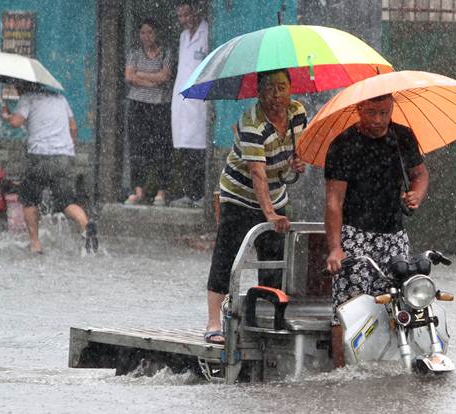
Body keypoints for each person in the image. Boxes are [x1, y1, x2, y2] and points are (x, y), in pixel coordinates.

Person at [324, 94, 429, 369]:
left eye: (384, 112)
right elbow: (334, 201)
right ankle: (341, 370)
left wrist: (416, 194)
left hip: (393, 235)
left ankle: (392, 366)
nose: (379, 120)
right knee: (349, 307)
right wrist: (336, 247)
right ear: (359, 109)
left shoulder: (402, 137)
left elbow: (420, 174)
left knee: (397, 303)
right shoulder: (343, 145)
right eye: (371, 113)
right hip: (355, 234)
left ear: (392, 107)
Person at [204, 69, 307, 344]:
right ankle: (214, 322)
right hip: (239, 196)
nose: (276, 95)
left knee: (275, 261)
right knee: (227, 256)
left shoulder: (297, 112)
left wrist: (299, 162)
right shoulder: (251, 122)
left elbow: (301, 150)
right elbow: (257, 172)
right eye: (269, 89)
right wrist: (270, 213)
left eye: (282, 87)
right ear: (259, 92)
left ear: (290, 89)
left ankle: (266, 319)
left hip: (277, 194)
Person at [0, 84, 97, 254]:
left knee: (29, 199)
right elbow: (73, 127)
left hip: (39, 157)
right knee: (67, 201)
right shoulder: (61, 99)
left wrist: (7, 116)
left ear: (23, 86)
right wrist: (70, 149)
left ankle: (35, 244)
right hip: (64, 157)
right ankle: (86, 225)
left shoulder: (28, 98)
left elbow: (16, 122)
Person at [123, 18, 173, 206]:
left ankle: (161, 191)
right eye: (142, 32)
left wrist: (140, 75)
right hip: (137, 105)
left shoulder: (166, 53)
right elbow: (129, 76)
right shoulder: (135, 53)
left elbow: (165, 76)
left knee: (161, 150)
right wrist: (153, 80)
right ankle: (138, 190)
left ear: (157, 33)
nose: (146, 36)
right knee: (137, 149)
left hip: (160, 106)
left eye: (149, 32)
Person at [169, 1, 209, 208]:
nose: (183, 20)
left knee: (199, 151)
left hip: (199, 100)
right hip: (182, 99)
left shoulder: (208, 32)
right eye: (180, 17)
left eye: (186, 15)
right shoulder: (183, 37)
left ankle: (200, 195)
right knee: (184, 150)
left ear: (196, 12)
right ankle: (188, 194)